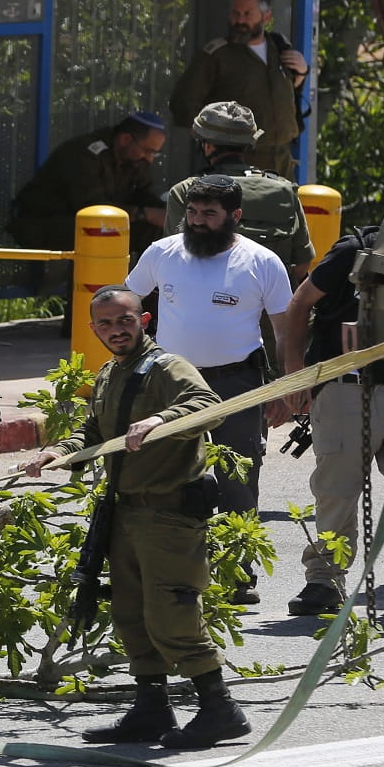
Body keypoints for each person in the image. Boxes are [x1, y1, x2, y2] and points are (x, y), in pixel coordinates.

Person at [22, 287, 251, 750]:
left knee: (172, 612)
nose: (115, 330)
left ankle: (219, 709)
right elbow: (93, 432)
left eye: (124, 320)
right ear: (93, 329)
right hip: (125, 512)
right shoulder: (110, 372)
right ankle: (152, 707)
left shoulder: (167, 367)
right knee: (131, 613)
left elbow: (208, 407)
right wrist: (58, 452)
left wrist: (160, 420)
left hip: (168, 514)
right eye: (105, 324)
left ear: (143, 319)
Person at [269, 205, 384, 619]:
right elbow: (301, 303)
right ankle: (324, 580)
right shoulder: (354, 251)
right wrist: (295, 374)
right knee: (337, 491)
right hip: (344, 390)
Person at [125, 176, 291, 603]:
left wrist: (287, 388)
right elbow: (125, 303)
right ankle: (168, 572)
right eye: (192, 213)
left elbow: (285, 329)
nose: (197, 222)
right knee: (167, 475)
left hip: (238, 383)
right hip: (172, 384)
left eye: (209, 214)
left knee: (237, 475)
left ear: (235, 216)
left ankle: (237, 574)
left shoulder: (262, 262)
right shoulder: (162, 253)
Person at [163, 101, 315, 281]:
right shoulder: (284, 190)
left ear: (207, 145)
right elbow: (302, 264)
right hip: (271, 306)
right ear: (249, 143)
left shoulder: (186, 191)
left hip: (204, 305)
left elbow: (173, 258)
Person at [169, 0, 307, 177]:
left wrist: (302, 71)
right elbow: (184, 102)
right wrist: (213, 145)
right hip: (239, 160)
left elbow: (289, 92)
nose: (240, 20)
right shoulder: (217, 54)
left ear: (266, 17)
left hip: (282, 157)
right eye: (235, 13)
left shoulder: (279, 47)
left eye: (247, 14)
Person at [8, 110, 167, 258]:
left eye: (154, 153)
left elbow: (144, 194)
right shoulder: (84, 154)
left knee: (159, 232)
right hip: (46, 223)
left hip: (88, 225)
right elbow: (92, 208)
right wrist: (145, 214)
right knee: (102, 231)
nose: (150, 158)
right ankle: (70, 288)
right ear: (125, 139)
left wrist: (168, 212)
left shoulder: (135, 161)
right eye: (147, 151)